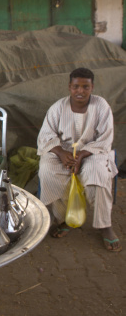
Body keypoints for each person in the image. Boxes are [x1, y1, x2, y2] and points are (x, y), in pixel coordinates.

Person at [37, 67, 120, 252]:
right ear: (69, 87)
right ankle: (65, 218)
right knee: (48, 170)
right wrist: (61, 153)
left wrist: (81, 155)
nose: (80, 91)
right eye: (76, 86)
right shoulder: (58, 107)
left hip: (93, 153)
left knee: (97, 174)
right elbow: (46, 135)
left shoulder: (101, 106)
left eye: (85, 86)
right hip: (64, 151)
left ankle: (105, 226)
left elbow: (105, 139)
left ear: (92, 87)